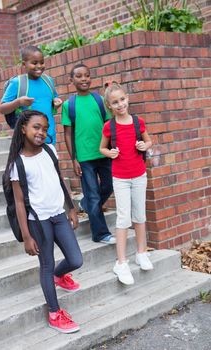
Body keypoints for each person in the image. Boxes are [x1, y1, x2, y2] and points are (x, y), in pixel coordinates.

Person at [3, 110, 83, 333]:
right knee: (46, 264)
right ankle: (55, 313)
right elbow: (19, 203)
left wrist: (71, 208)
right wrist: (27, 237)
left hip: (58, 214)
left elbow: (59, 180)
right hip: (38, 221)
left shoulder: (50, 150)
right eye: (36, 127)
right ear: (23, 129)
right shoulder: (17, 165)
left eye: (45, 128)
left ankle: (60, 275)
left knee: (76, 260)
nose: (41, 132)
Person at [100, 82, 153, 286]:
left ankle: (141, 253)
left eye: (122, 99)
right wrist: (109, 152)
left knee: (140, 215)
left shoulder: (138, 122)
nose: (120, 104)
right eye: (115, 102)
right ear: (109, 106)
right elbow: (102, 148)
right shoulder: (109, 126)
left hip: (139, 175)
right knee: (123, 218)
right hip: (120, 178)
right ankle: (121, 262)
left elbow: (149, 142)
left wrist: (143, 144)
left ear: (127, 98)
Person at [61, 63, 115, 244]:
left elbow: (109, 127)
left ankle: (86, 205)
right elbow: (67, 133)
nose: (84, 79)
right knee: (92, 194)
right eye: (79, 76)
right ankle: (100, 234)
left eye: (87, 75)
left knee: (109, 185)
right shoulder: (69, 105)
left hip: (104, 153)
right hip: (85, 158)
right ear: (71, 80)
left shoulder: (99, 100)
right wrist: (73, 158)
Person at [0, 45, 62, 145]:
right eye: (34, 63)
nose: (39, 66)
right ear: (24, 65)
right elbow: (2, 109)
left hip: (49, 138)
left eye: (42, 62)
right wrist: (18, 102)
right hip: (28, 142)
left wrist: (56, 103)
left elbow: (52, 102)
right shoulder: (17, 83)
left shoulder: (49, 81)